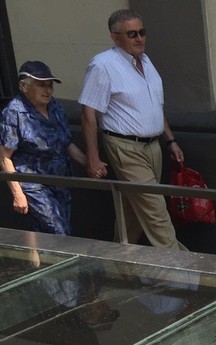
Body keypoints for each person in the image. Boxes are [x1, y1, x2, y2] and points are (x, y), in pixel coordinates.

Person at [78, 8, 186, 250]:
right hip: (124, 147)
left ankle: (117, 265)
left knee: (134, 211)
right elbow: (88, 115)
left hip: (153, 146)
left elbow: (155, 107)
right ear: (116, 37)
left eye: (142, 32)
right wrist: (93, 159)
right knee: (156, 211)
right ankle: (189, 275)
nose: (139, 38)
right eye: (132, 34)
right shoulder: (103, 65)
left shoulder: (146, 62)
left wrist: (171, 140)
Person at [0, 61, 87, 234]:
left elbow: (66, 143)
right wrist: (17, 193)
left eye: (50, 86)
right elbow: (4, 156)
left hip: (61, 180)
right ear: (24, 86)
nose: (47, 90)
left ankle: (39, 261)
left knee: (44, 233)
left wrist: (89, 163)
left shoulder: (55, 107)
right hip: (33, 184)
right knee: (60, 230)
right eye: (41, 85)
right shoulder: (14, 112)